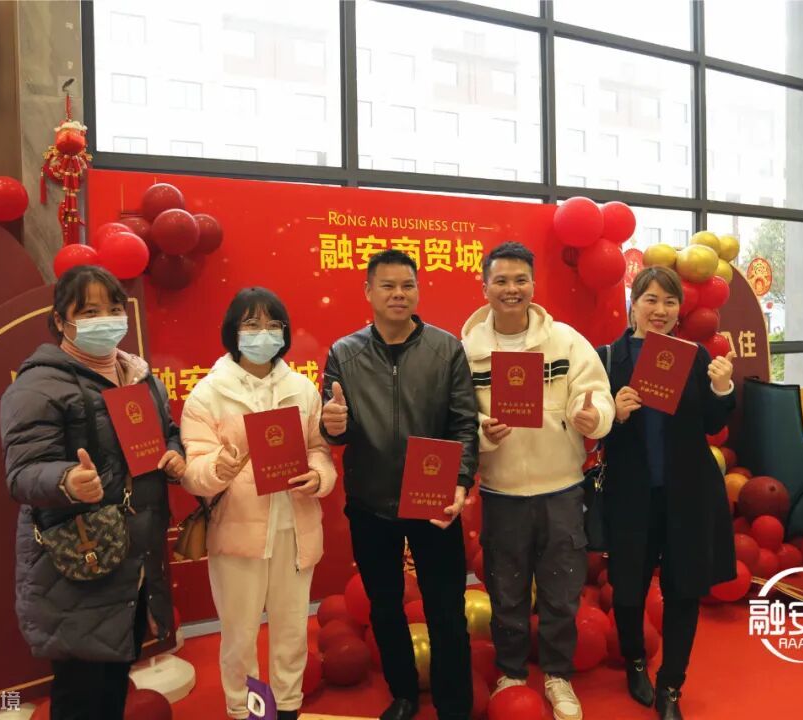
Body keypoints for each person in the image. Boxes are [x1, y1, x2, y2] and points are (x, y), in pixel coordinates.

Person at [0, 265, 185, 720]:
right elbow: (22, 471)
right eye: (89, 311)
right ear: (60, 320)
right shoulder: (39, 385)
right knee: (80, 694)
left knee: (114, 683)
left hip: (135, 558)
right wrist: (66, 481)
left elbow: (168, 432)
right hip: (79, 564)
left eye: (113, 308)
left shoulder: (139, 376)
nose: (106, 319)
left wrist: (174, 454)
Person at [320, 249, 479, 720]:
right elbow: (336, 426)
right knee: (385, 606)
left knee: (446, 607)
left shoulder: (446, 349)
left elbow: (464, 423)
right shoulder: (344, 353)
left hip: (433, 499)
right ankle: (404, 693)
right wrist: (331, 426)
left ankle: (454, 704)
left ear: (417, 291)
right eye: (387, 286)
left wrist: (460, 481)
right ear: (368, 292)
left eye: (407, 285)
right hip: (370, 503)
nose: (398, 294)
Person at [460, 241, 614, 720]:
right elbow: (457, 419)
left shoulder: (565, 341)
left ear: (533, 284)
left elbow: (597, 394)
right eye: (501, 280)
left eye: (520, 280)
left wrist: (593, 418)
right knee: (505, 590)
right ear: (485, 286)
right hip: (502, 492)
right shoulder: (467, 352)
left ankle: (557, 674)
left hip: (562, 489)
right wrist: (482, 433)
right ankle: (510, 672)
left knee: (561, 590)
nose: (512, 289)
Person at [178, 287, 336, 720]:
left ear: (284, 332)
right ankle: (247, 711)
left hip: (295, 531)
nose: (262, 333)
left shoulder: (301, 389)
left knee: (292, 631)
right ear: (233, 331)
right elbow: (193, 468)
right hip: (238, 533)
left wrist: (318, 476)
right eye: (251, 324)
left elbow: (319, 449)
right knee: (239, 636)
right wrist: (219, 468)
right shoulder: (208, 394)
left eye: (272, 324)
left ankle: (286, 708)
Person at [602, 266, 737, 720]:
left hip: (688, 495)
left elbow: (713, 424)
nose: (659, 310)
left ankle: (671, 686)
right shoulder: (608, 358)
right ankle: (635, 661)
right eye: (650, 299)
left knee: (683, 591)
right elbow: (590, 430)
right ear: (633, 303)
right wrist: (614, 415)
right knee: (627, 590)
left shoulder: (694, 357)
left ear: (679, 309)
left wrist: (722, 387)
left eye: (669, 301)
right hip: (630, 497)